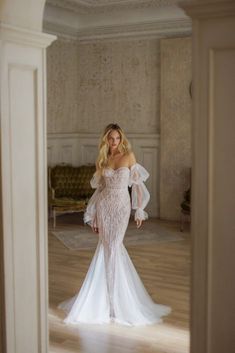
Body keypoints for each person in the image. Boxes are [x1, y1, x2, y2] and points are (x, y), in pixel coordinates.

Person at [59, 123, 171, 326]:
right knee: (107, 247)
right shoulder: (102, 160)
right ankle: (108, 300)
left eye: (117, 138)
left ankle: (117, 300)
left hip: (121, 208)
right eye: (110, 138)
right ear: (105, 140)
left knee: (114, 245)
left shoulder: (129, 156)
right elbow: (99, 190)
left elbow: (137, 186)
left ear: (122, 139)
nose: (114, 142)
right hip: (104, 207)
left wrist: (139, 209)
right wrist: (93, 215)